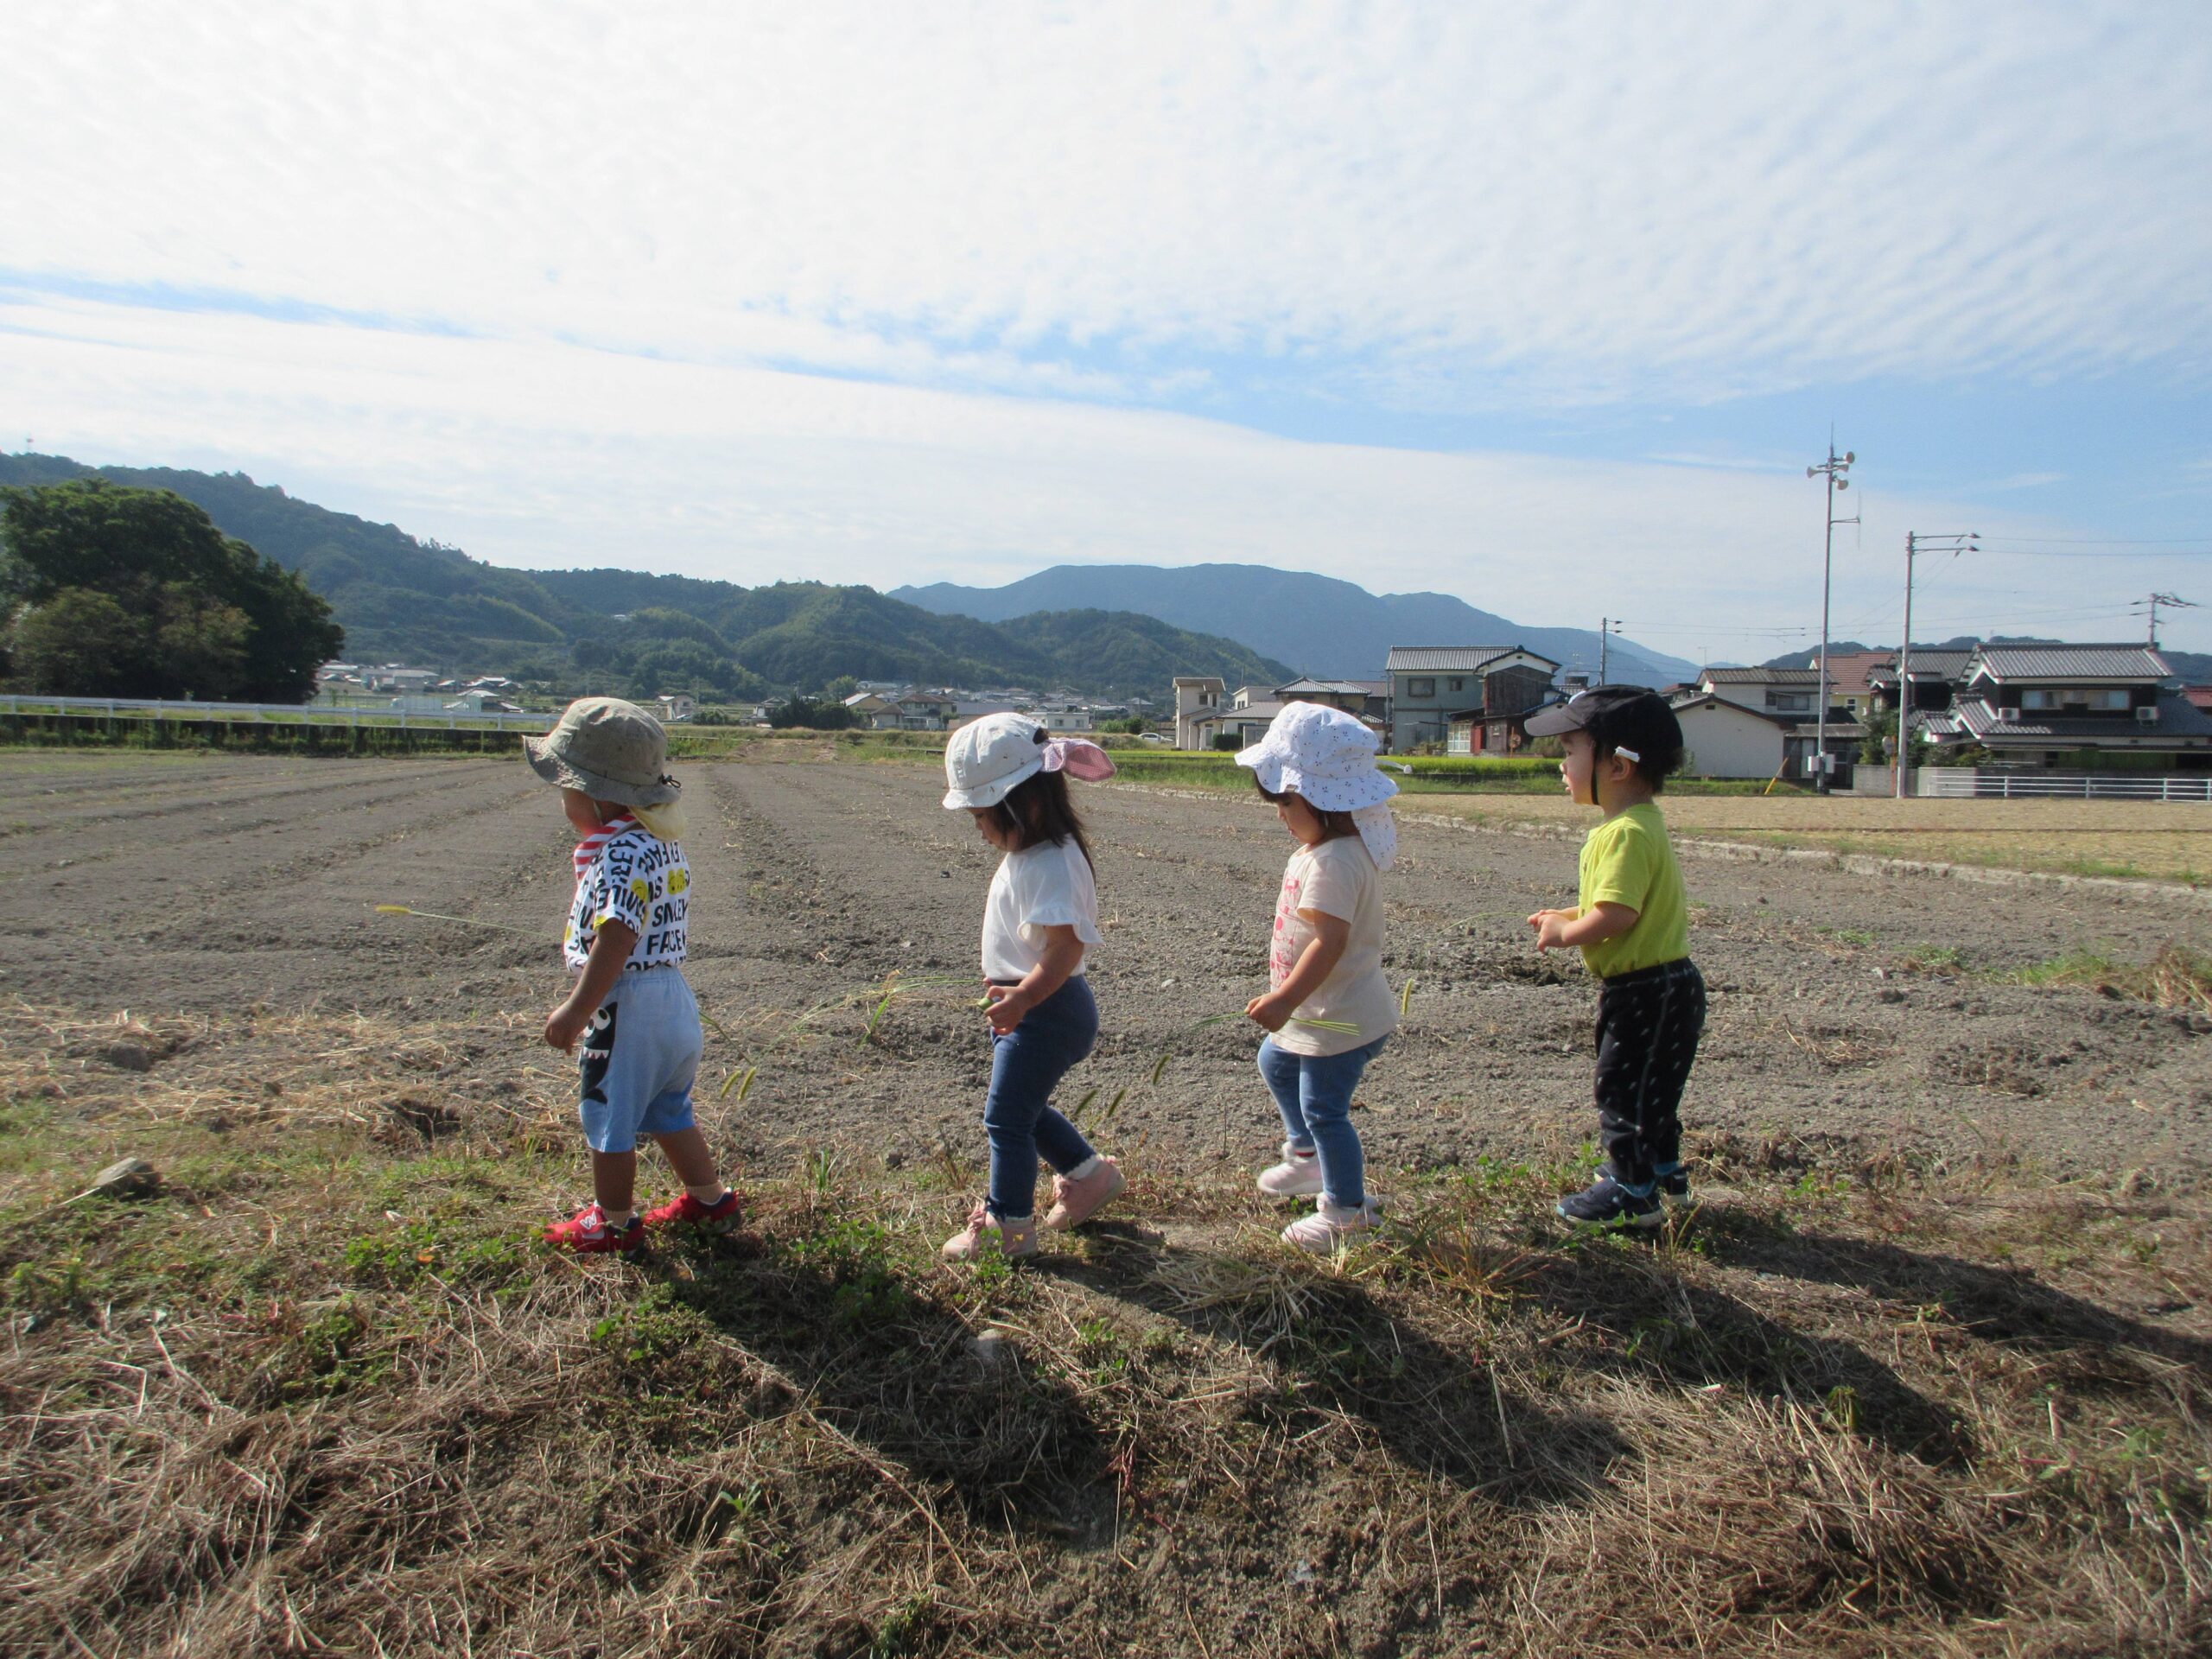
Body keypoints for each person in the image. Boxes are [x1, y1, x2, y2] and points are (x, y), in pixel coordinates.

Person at [525, 697, 739, 1254]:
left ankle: (613, 1221)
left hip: (627, 1004)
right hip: (671, 997)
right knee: (669, 1110)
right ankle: (710, 1201)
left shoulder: (618, 855)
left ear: (596, 797)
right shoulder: (660, 845)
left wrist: (577, 1009)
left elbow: (617, 934)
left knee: (608, 1115)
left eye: (566, 791)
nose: (563, 802)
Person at [938, 715, 1128, 1262]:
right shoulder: (1031, 854)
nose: (978, 827)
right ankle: (1089, 1178)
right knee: (1023, 1109)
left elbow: (1065, 950)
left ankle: (1008, 1225)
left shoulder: (1050, 864)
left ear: (1027, 802)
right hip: (1034, 1005)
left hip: (1048, 1008)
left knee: (1005, 1117)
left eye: (981, 814)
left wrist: (1021, 998)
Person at [1523, 686, 1705, 1230]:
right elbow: (1620, 903)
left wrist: (1566, 933)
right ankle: (1664, 1176)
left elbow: (1617, 917)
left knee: (1622, 1090)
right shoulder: (1641, 824)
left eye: (1571, 749)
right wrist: (1573, 911)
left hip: (1644, 992)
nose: (1561, 763)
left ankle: (1632, 1192)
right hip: (1669, 985)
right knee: (1656, 1091)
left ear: (1619, 765)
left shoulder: (1624, 834)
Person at [1235, 702, 1400, 1252]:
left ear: (1324, 799)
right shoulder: (1326, 849)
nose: (1280, 812)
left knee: (1325, 1108)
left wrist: (1283, 999)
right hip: (1328, 1010)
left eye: (1286, 800)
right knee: (1276, 1061)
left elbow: (1330, 944)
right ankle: (1307, 1160)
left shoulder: (1335, 862)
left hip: (1344, 1020)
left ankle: (1345, 1212)